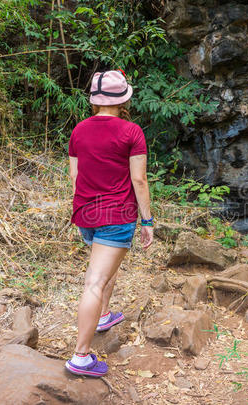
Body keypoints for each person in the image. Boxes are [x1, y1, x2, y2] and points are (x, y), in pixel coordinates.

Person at [65, 70, 153, 377]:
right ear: (124, 98)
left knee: (103, 269)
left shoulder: (79, 130)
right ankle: (80, 357)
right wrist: (148, 219)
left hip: (86, 215)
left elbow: (75, 178)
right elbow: (139, 180)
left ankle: (103, 315)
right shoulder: (131, 132)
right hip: (116, 216)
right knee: (95, 281)